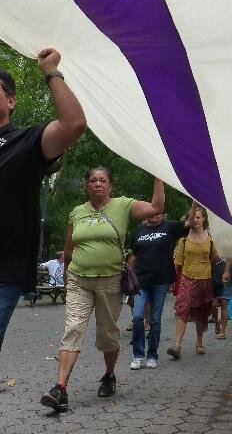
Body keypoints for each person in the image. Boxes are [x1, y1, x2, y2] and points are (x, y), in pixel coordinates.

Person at [40, 168, 164, 410]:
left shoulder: (123, 206)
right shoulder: (77, 213)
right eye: (93, 180)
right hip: (78, 280)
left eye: (102, 180)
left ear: (110, 186)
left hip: (110, 283)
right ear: (87, 185)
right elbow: (68, 250)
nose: (97, 184)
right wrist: (66, 280)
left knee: (108, 335)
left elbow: (156, 207)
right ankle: (60, 389)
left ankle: (109, 375)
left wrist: (157, 173)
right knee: (73, 329)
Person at [0, 49, 86, 352]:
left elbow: (73, 123)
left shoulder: (25, 142)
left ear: (10, 100)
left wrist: (50, 70)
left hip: (4, 272)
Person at [129, 203, 195, 370]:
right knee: (137, 317)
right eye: (152, 212)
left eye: (158, 213)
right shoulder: (139, 230)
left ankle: (152, 355)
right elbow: (133, 255)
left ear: (162, 214)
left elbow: (190, 222)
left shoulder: (170, 227)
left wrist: (194, 203)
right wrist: (128, 275)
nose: (155, 215)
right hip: (140, 280)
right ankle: (137, 355)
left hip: (160, 280)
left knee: (155, 320)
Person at [167, 207, 218, 359]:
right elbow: (178, 261)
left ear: (204, 219)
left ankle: (199, 342)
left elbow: (213, 259)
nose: (195, 220)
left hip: (205, 279)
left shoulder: (210, 239)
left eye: (198, 217)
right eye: (192, 217)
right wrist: (172, 279)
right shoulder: (184, 239)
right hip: (187, 278)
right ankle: (177, 346)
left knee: (202, 312)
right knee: (182, 309)